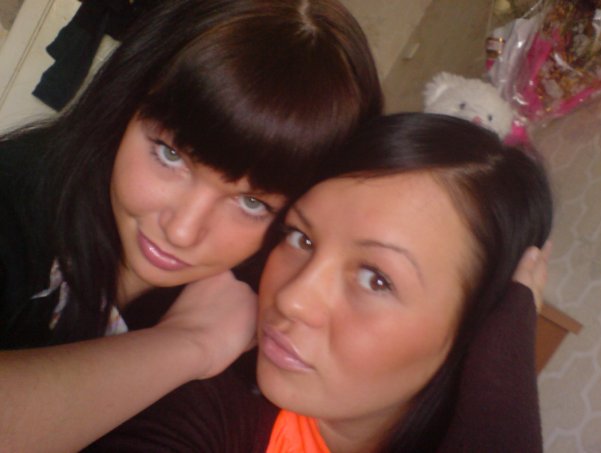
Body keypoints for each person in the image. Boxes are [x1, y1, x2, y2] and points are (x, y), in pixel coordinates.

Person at [0, 0, 383, 451]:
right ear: (125, 104)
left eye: (253, 202)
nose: (182, 231)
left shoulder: (267, 321)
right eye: (170, 154)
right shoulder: (14, 201)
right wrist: (190, 343)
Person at [86, 113, 553, 453]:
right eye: (301, 238)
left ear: (478, 336)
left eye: (376, 279)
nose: (292, 299)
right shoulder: (208, 413)